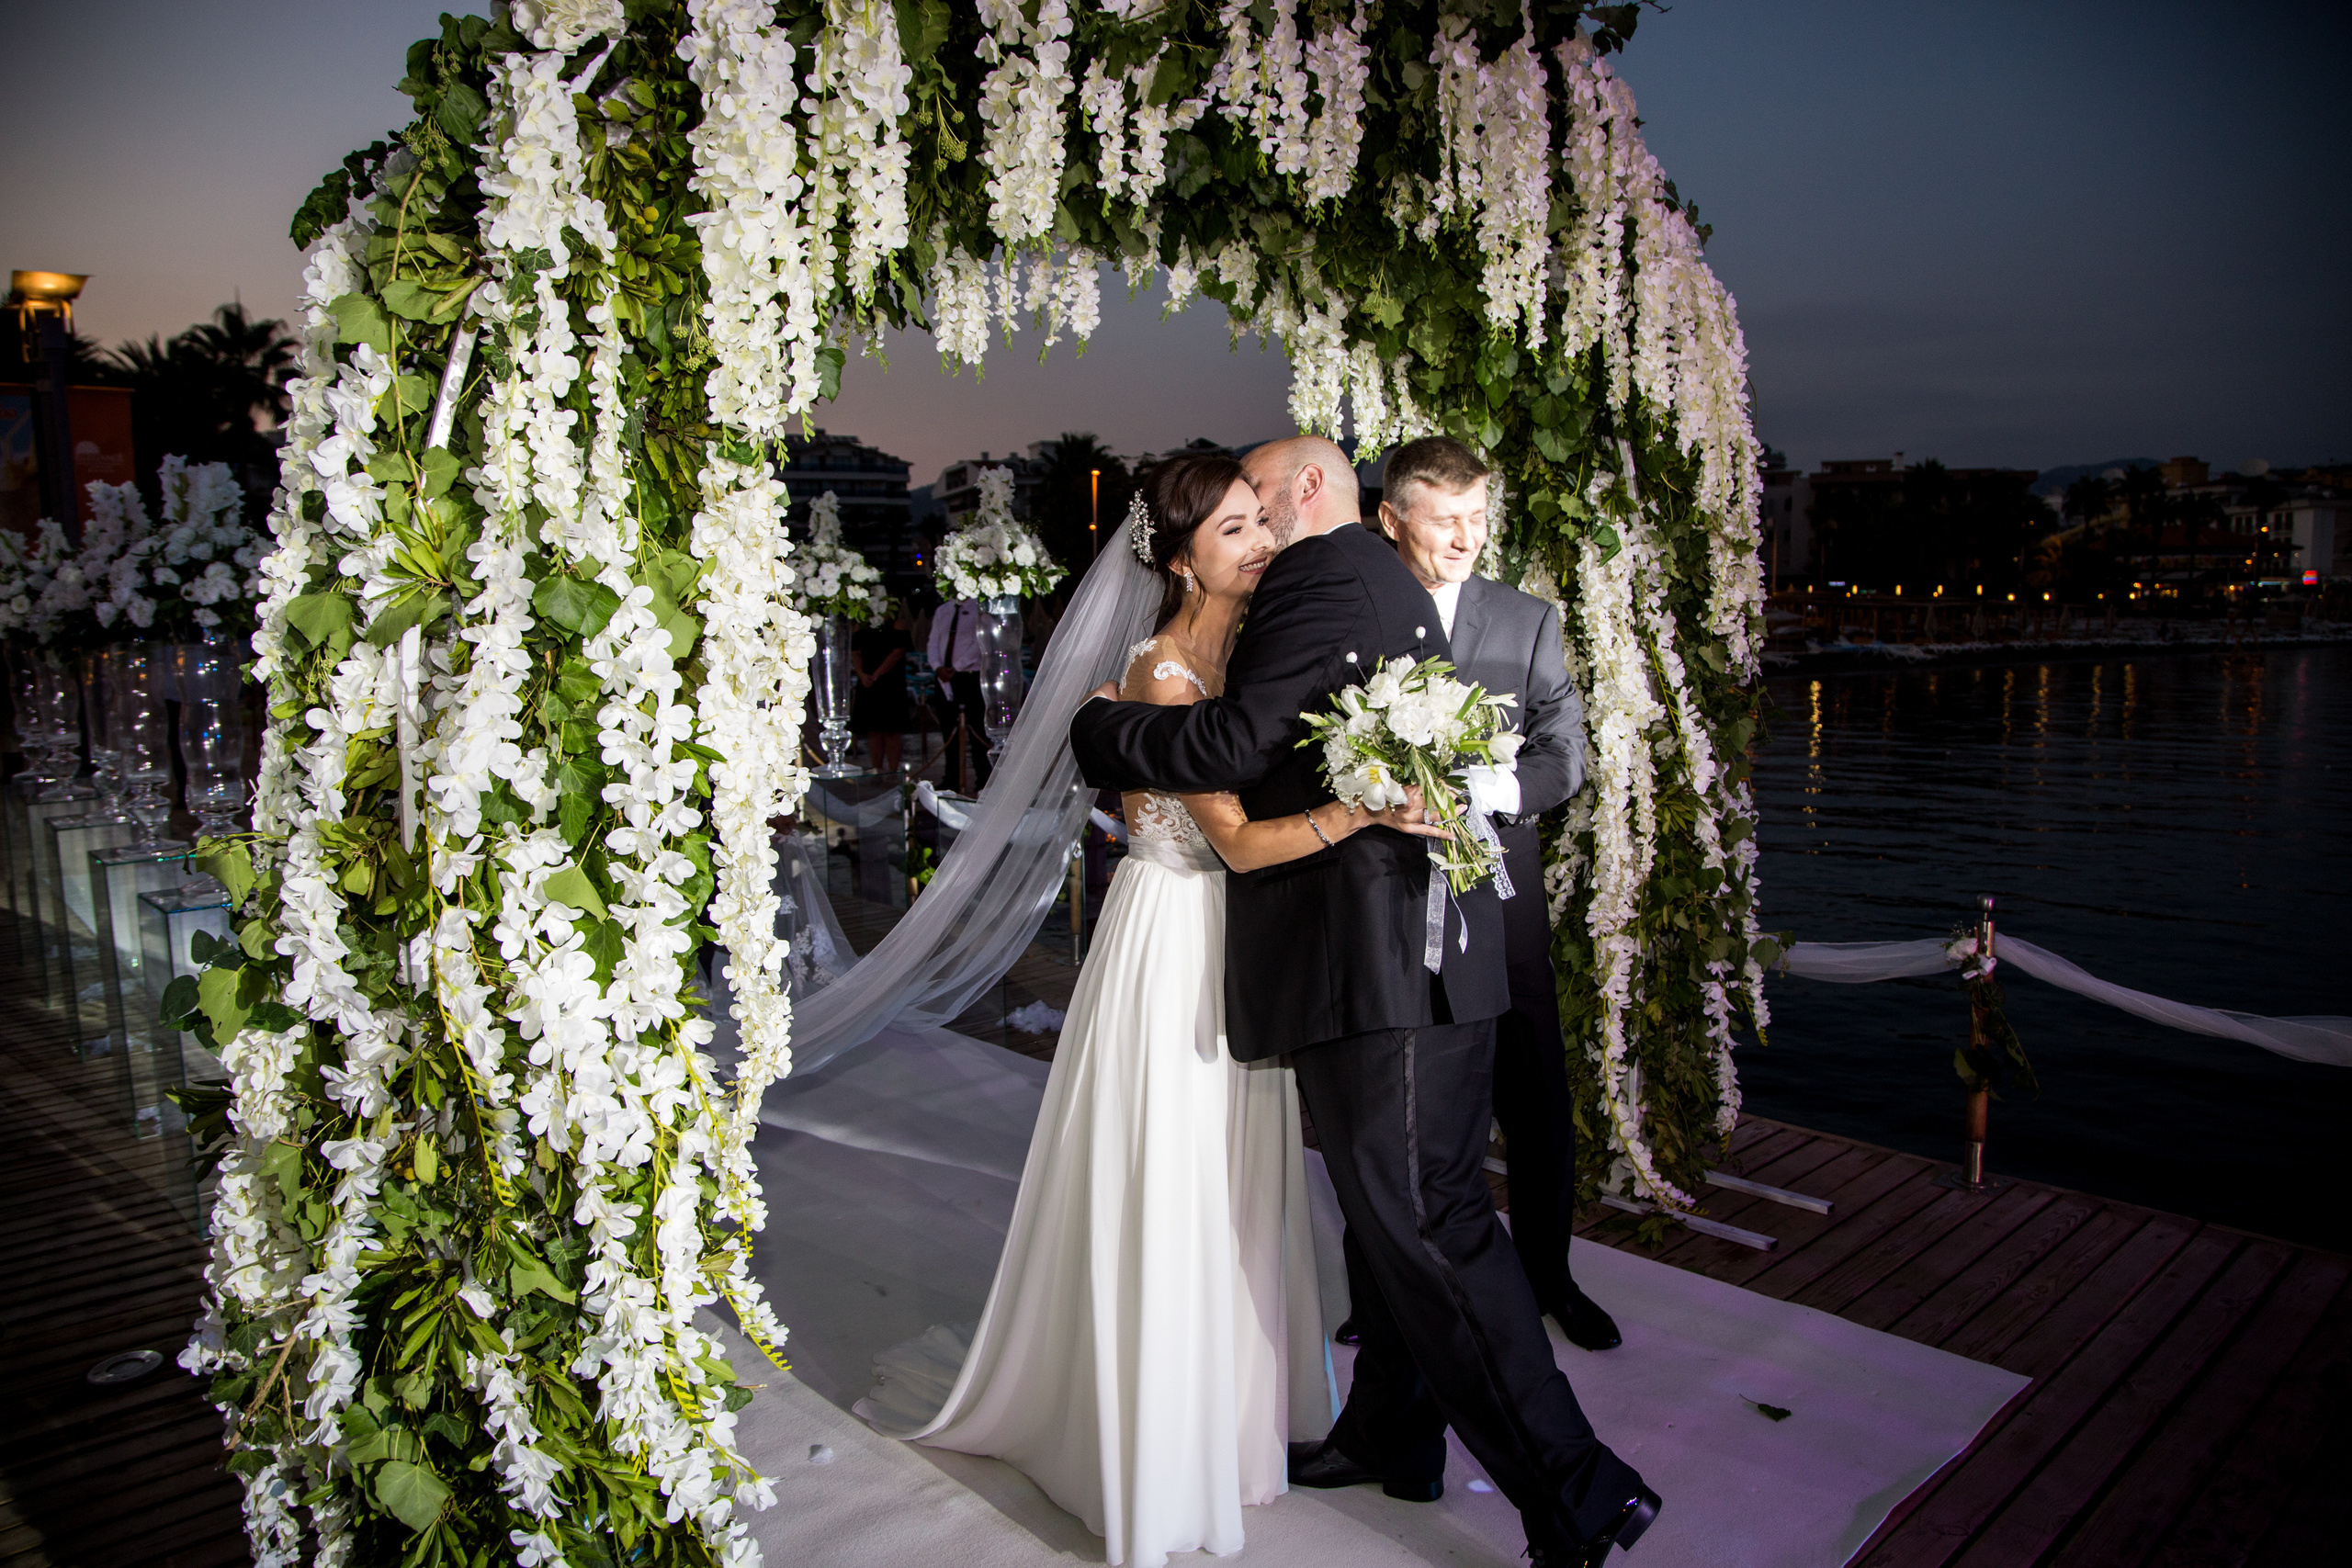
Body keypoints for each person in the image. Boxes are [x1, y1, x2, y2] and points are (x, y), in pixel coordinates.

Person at [1070, 434, 1660, 1568]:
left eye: (1257, 498)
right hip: (1416, 957)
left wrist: (1099, 730)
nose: (1252, 517)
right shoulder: (1382, 577)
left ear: (1302, 494)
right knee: (1404, 1220)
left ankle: (1580, 1489)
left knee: (1430, 1226)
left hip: (1382, 966)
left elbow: (1238, 739)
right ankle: (1393, 1433)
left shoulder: (1321, 573)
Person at [860, 454, 1442, 1568]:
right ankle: (1147, 1447)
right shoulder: (1163, 674)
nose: (1261, 543)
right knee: (1173, 1180)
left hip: (1244, 948)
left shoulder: (1265, 652)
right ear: (1180, 560)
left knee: (1235, 1187)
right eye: (1235, 530)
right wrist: (1368, 813)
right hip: (1173, 944)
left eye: (1261, 523)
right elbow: (1237, 840)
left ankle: (1225, 1426)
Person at [1374, 434, 1623, 1354]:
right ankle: (1390, 1291)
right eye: (1444, 520)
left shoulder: (1526, 621)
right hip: (1387, 892)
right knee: (1393, 1104)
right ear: (1392, 518)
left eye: (1478, 519)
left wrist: (1499, 789)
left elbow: (1565, 750)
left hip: (1501, 894)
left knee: (1533, 1090)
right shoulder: (1355, 612)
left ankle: (1549, 1277)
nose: (1465, 538)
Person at [926, 592, 991, 795]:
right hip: (944, 677)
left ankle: (984, 779)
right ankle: (951, 779)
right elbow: (933, 642)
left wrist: (956, 666)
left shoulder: (980, 610)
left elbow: (980, 641)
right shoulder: (943, 610)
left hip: (969, 675)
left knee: (977, 729)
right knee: (948, 728)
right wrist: (938, 667)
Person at [852, 600, 913, 778]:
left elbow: (898, 652)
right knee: (874, 729)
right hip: (867, 682)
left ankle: (894, 772)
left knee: (892, 730)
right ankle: (876, 770)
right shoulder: (861, 625)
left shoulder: (897, 625)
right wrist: (862, 674)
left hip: (890, 683)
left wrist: (877, 674)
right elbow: (855, 652)